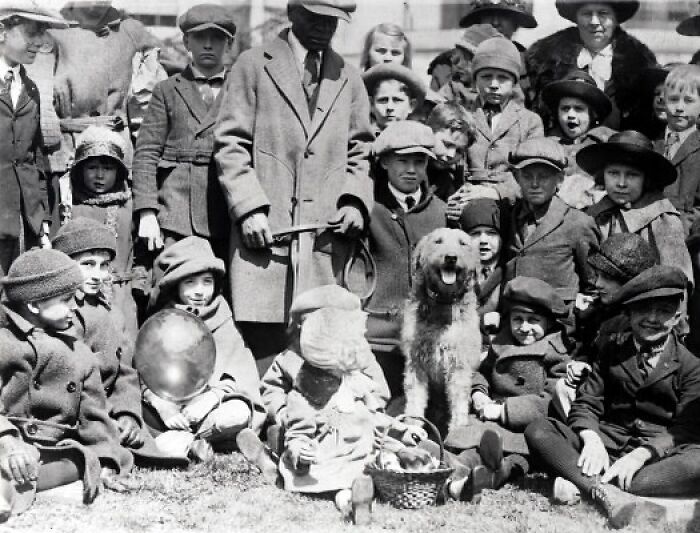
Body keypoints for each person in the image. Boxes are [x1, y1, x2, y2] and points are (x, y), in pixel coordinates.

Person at [213, 0, 374, 374]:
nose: (322, 28)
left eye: (332, 22)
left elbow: (361, 149)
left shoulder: (349, 78)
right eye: (314, 17)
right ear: (291, 11)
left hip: (323, 244)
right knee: (263, 360)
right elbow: (230, 143)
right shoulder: (253, 65)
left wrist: (353, 202)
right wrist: (249, 208)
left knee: (320, 356)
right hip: (266, 241)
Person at [525, 265, 700, 529]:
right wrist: (590, 438)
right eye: (644, 309)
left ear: (677, 317)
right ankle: (606, 491)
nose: (652, 319)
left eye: (663, 311)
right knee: (539, 429)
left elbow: (685, 429)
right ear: (628, 314)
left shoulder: (692, 366)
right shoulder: (611, 350)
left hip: (654, 460)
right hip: (603, 449)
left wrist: (642, 454)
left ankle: (588, 482)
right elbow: (587, 402)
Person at [0, 249, 132, 520]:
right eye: (66, 299)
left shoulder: (81, 355)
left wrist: (107, 461)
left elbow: (94, 418)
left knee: (80, 461)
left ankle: (11, 487)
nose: (75, 306)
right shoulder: (5, 344)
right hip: (7, 436)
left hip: (50, 449)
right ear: (35, 305)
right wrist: (8, 440)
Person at [277, 296, 425, 524]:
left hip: (365, 450)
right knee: (344, 483)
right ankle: (352, 503)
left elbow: (376, 418)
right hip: (333, 457)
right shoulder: (306, 394)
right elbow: (297, 433)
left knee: (394, 462)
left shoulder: (356, 384)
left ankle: (454, 487)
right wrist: (300, 452)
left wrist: (401, 430)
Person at [142, 237, 268, 466]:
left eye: (207, 282)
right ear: (176, 285)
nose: (200, 291)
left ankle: (191, 441)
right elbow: (145, 373)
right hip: (169, 411)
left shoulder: (223, 319)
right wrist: (164, 407)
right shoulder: (162, 321)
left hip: (211, 407)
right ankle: (193, 442)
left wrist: (210, 398)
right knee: (141, 418)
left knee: (237, 413)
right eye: (190, 282)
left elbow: (238, 374)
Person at [445, 277, 571, 500]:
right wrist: (478, 392)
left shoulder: (555, 353)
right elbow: (482, 372)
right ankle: (457, 471)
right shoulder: (502, 343)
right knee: (473, 446)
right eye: (518, 319)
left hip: (528, 426)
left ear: (549, 323)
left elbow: (550, 401)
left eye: (533, 320)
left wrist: (504, 410)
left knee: (518, 456)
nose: (524, 328)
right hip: (490, 418)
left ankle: (498, 473)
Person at [132, 4, 235, 259]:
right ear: (187, 41)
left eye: (217, 38)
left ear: (229, 44)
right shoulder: (166, 90)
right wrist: (147, 211)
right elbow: (146, 152)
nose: (208, 45)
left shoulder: (242, 88)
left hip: (227, 207)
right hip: (177, 211)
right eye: (200, 37)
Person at [363, 121, 446, 403]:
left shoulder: (440, 212)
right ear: (385, 162)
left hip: (428, 335)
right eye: (402, 161)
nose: (411, 170)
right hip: (378, 336)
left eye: (419, 161)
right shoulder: (368, 207)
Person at [261, 285, 390, 443]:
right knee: (297, 436)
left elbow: (379, 389)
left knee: (378, 430)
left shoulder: (358, 355)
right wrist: (281, 412)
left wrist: (367, 406)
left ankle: (405, 447)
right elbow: (271, 389)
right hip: (307, 420)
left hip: (353, 416)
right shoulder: (290, 358)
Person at [0, 4, 71, 275]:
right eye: (32, 32)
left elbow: (34, 159)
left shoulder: (30, 89)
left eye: (43, 33)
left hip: (22, 222)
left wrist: (40, 218)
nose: (41, 42)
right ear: (1, 31)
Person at [558, 233, 659, 416]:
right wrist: (579, 364)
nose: (598, 284)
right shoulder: (601, 312)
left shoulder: (642, 324)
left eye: (607, 278)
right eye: (597, 276)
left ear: (630, 282)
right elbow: (588, 351)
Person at [504, 138, 599, 328]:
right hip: (516, 325)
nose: (535, 184)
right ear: (516, 177)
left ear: (560, 179)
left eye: (544, 176)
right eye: (527, 176)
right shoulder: (509, 216)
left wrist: (577, 317)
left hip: (560, 328)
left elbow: (594, 285)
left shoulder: (577, 223)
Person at [579, 130, 693, 285]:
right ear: (602, 175)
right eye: (613, 173)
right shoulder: (595, 214)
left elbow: (678, 279)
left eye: (632, 175)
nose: (621, 183)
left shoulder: (662, 219)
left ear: (646, 179)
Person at [526, 0, 656, 131]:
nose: (594, 22)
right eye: (587, 14)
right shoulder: (545, 59)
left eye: (603, 13)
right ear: (576, 18)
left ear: (616, 19)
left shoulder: (640, 64)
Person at [63, 125, 139, 336]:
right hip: (79, 297)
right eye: (92, 167)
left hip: (121, 297)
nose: (99, 175)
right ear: (80, 170)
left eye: (107, 168)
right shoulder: (69, 207)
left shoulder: (129, 206)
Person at [459, 37, 544, 206]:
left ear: (514, 82)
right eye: (486, 76)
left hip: (512, 202)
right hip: (468, 199)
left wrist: (496, 192)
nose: (494, 84)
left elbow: (532, 170)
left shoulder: (530, 121)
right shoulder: (463, 114)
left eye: (503, 78)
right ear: (475, 80)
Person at [542, 70, 614, 209]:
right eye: (565, 108)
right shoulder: (546, 144)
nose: (570, 115)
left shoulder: (608, 142)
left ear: (593, 114)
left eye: (578, 109)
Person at [653, 64, 700, 237]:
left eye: (688, 100)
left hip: (687, 233)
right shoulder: (652, 145)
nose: (679, 107)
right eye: (673, 99)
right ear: (663, 101)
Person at [459, 198, 506, 339]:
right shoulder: (457, 273)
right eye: (475, 234)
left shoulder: (510, 271)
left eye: (491, 233)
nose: (484, 240)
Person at [425, 102, 474, 203]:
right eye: (447, 144)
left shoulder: (448, 180)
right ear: (429, 131)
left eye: (459, 151)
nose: (451, 155)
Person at [362, 63, 425, 135]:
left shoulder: (421, 137)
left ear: (411, 106)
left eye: (397, 100)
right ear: (371, 105)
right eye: (383, 100)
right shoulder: (363, 140)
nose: (389, 107)